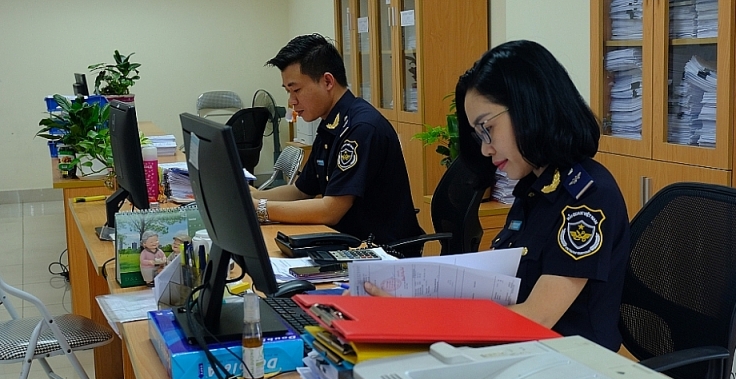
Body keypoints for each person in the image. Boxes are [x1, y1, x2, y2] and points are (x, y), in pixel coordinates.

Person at [363, 40, 630, 351]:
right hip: (520, 353)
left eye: (488, 128)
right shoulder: (535, 186)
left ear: (531, 108)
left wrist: (416, 320)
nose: (485, 148)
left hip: (572, 368)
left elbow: (535, 318)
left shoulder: (586, 197)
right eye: (479, 135)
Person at [251, 33, 423, 253]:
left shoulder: (360, 128)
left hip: (381, 253)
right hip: (348, 243)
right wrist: (253, 196)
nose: (292, 102)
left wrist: (261, 209)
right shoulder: (331, 124)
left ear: (328, 81)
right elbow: (301, 190)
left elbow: (330, 210)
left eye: (296, 90)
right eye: (288, 92)